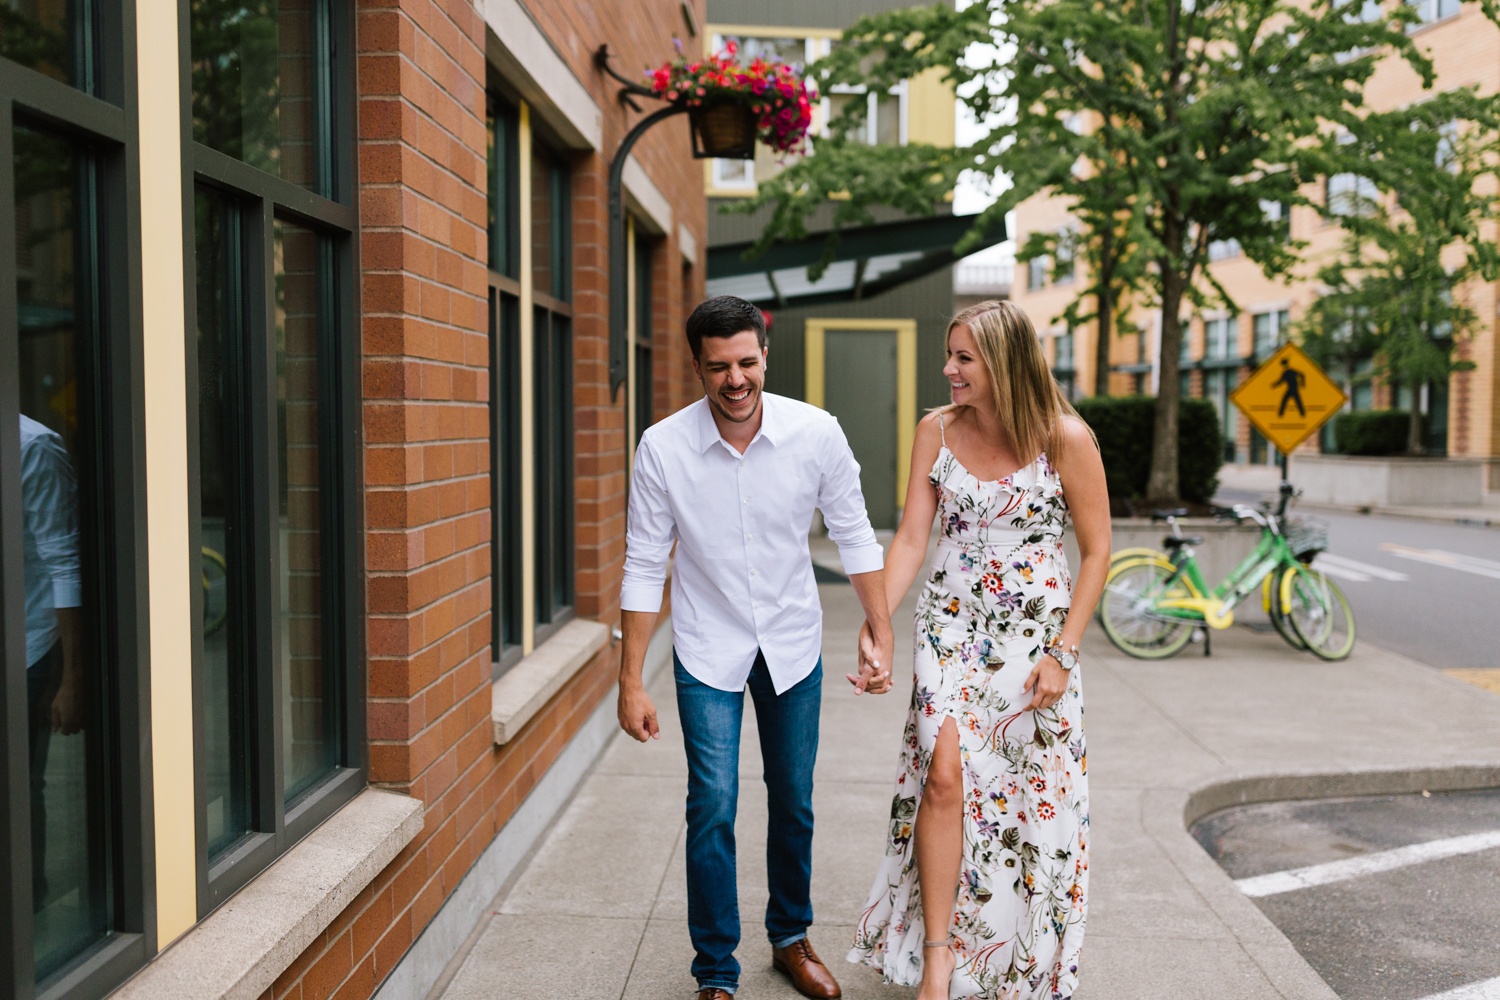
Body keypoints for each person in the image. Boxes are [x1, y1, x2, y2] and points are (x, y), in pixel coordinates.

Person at [617, 295, 897, 1000]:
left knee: (793, 800)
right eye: (719, 367)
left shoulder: (817, 433)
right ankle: (715, 970)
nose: (735, 379)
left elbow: (855, 534)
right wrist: (630, 680)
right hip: (707, 646)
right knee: (711, 802)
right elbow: (645, 564)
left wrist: (881, 629)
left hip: (792, 642)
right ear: (697, 367)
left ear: (765, 355)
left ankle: (790, 939)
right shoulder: (663, 448)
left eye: (747, 362)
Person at [848, 301, 1110, 1000]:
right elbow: (909, 538)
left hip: (1034, 641)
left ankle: (1014, 954)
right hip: (951, 628)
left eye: (964, 358)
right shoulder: (934, 431)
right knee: (940, 775)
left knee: (1023, 802)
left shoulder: (1066, 439)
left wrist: (1065, 652)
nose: (949, 370)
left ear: (1004, 361)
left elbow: (1098, 551)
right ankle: (938, 954)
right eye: (950, 355)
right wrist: (880, 623)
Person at [20, 412, 86, 909]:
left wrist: (72, 677)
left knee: (19, 786)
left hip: (28, 646)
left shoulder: (34, 447)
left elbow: (65, 561)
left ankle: (28, 904)